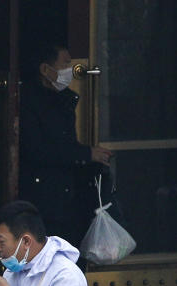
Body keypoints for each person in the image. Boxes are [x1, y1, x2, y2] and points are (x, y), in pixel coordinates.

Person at [19, 43, 112, 249]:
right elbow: (40, 149)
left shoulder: (63, 100)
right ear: (45, 69)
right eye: (65, 64)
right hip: (44, 193)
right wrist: (87, 154)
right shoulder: (31, 103)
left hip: (66, 193)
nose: (71, 70)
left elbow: (65, 144)